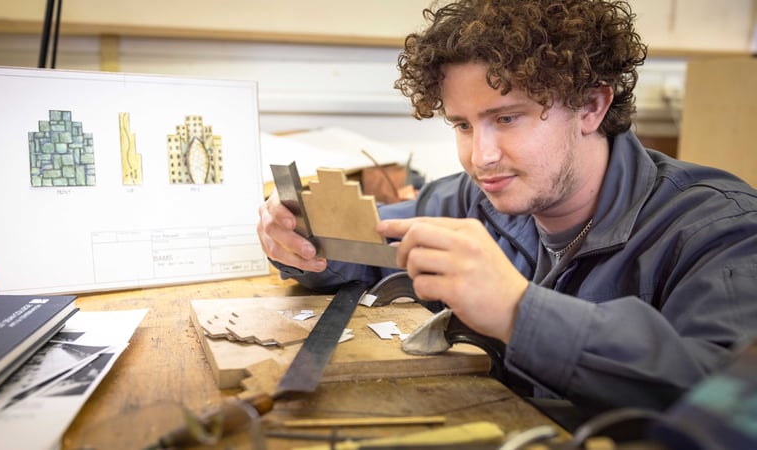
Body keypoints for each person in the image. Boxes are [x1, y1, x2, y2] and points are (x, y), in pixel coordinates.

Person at [257, 0, 757, 430]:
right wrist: (300, 241)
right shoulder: (469, 201)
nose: (481, 156)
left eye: (506, 118)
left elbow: (732, 404)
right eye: (463, 126)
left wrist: (520, 313)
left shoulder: (717, 228)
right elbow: (365, 244)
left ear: (591, 106)